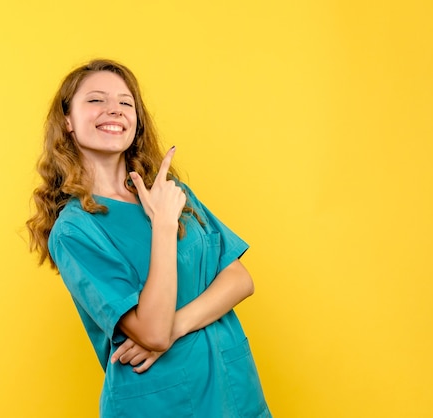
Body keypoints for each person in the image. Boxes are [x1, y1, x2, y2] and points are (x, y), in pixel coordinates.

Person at [27, 59, 272, 418]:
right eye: (95, 100)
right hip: (159, 402)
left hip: (233, 390)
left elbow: (239, 279)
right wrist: (162, 227)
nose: (114, 110)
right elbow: (152, 333)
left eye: (126, 103)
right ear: (67, 121)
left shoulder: (170, 192)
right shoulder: (74, 230)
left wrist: (179, 325)